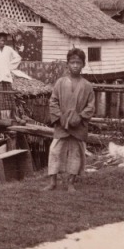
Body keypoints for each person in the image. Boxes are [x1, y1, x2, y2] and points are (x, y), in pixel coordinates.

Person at [44, 48, 95, 192]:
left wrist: (80, 117)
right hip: (62, 124)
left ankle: (71, 182)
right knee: (55, 150)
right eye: (72, 62)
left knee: (76, 153)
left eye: (78, 62)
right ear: (67, 64)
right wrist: (59, 117)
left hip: (78, 126)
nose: (75, 65)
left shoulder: (87, 86)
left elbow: (90, 107)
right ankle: (52, 181)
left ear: (83, 65)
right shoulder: (60, 83)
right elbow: (53, 101)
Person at [0, 33, 22, 122]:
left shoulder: (9, 49)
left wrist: (9, 67)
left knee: (9, 96)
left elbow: (18, 58)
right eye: (2, 40)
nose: (3, 42)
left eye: (5, 40)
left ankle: (13, 115)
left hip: (6, 75)